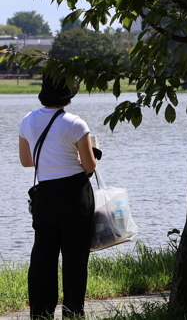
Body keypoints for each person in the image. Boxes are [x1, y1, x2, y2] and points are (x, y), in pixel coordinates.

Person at [18, 75, 98, 320]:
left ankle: (41, 315)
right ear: (68, 96)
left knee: (43, 258)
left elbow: (26, 161)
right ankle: (73, 313)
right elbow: (89, 166)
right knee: (75, 259)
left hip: (45, 197)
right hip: (75, 196)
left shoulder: (27, 121)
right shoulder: (76, 123)